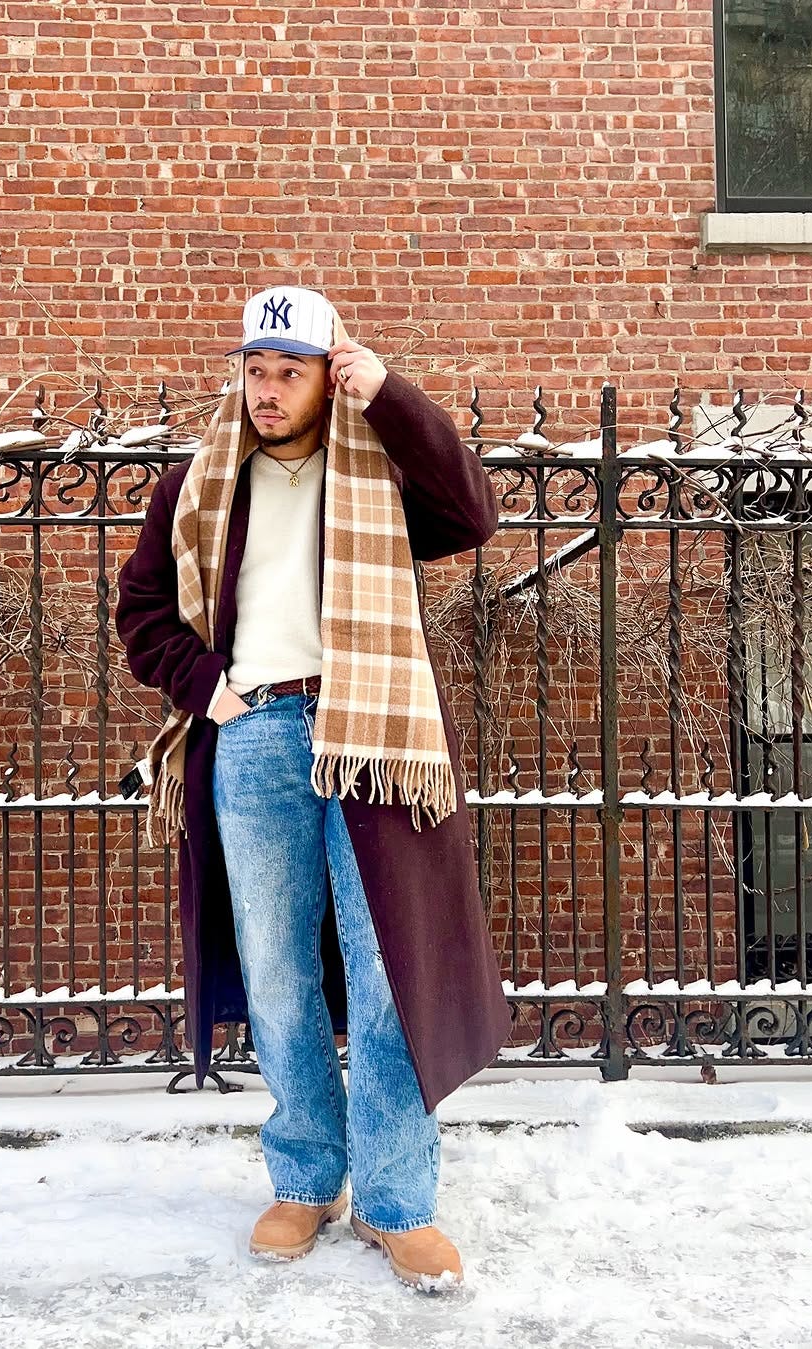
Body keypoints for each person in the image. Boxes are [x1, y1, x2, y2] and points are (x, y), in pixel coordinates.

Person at [115, 286, 510, 1292]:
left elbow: (473, 512)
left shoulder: (376, 469)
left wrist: (390, 394)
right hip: (253, 734)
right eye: (256, 370)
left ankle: (396, 1198)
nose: (268, 389)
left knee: (386, 967)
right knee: (277, 966)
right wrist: (208, 689)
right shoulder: (198, 482)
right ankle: (304, 1178)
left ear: (327, 378)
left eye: (289, 371)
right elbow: (142, 609)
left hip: (371, 731)